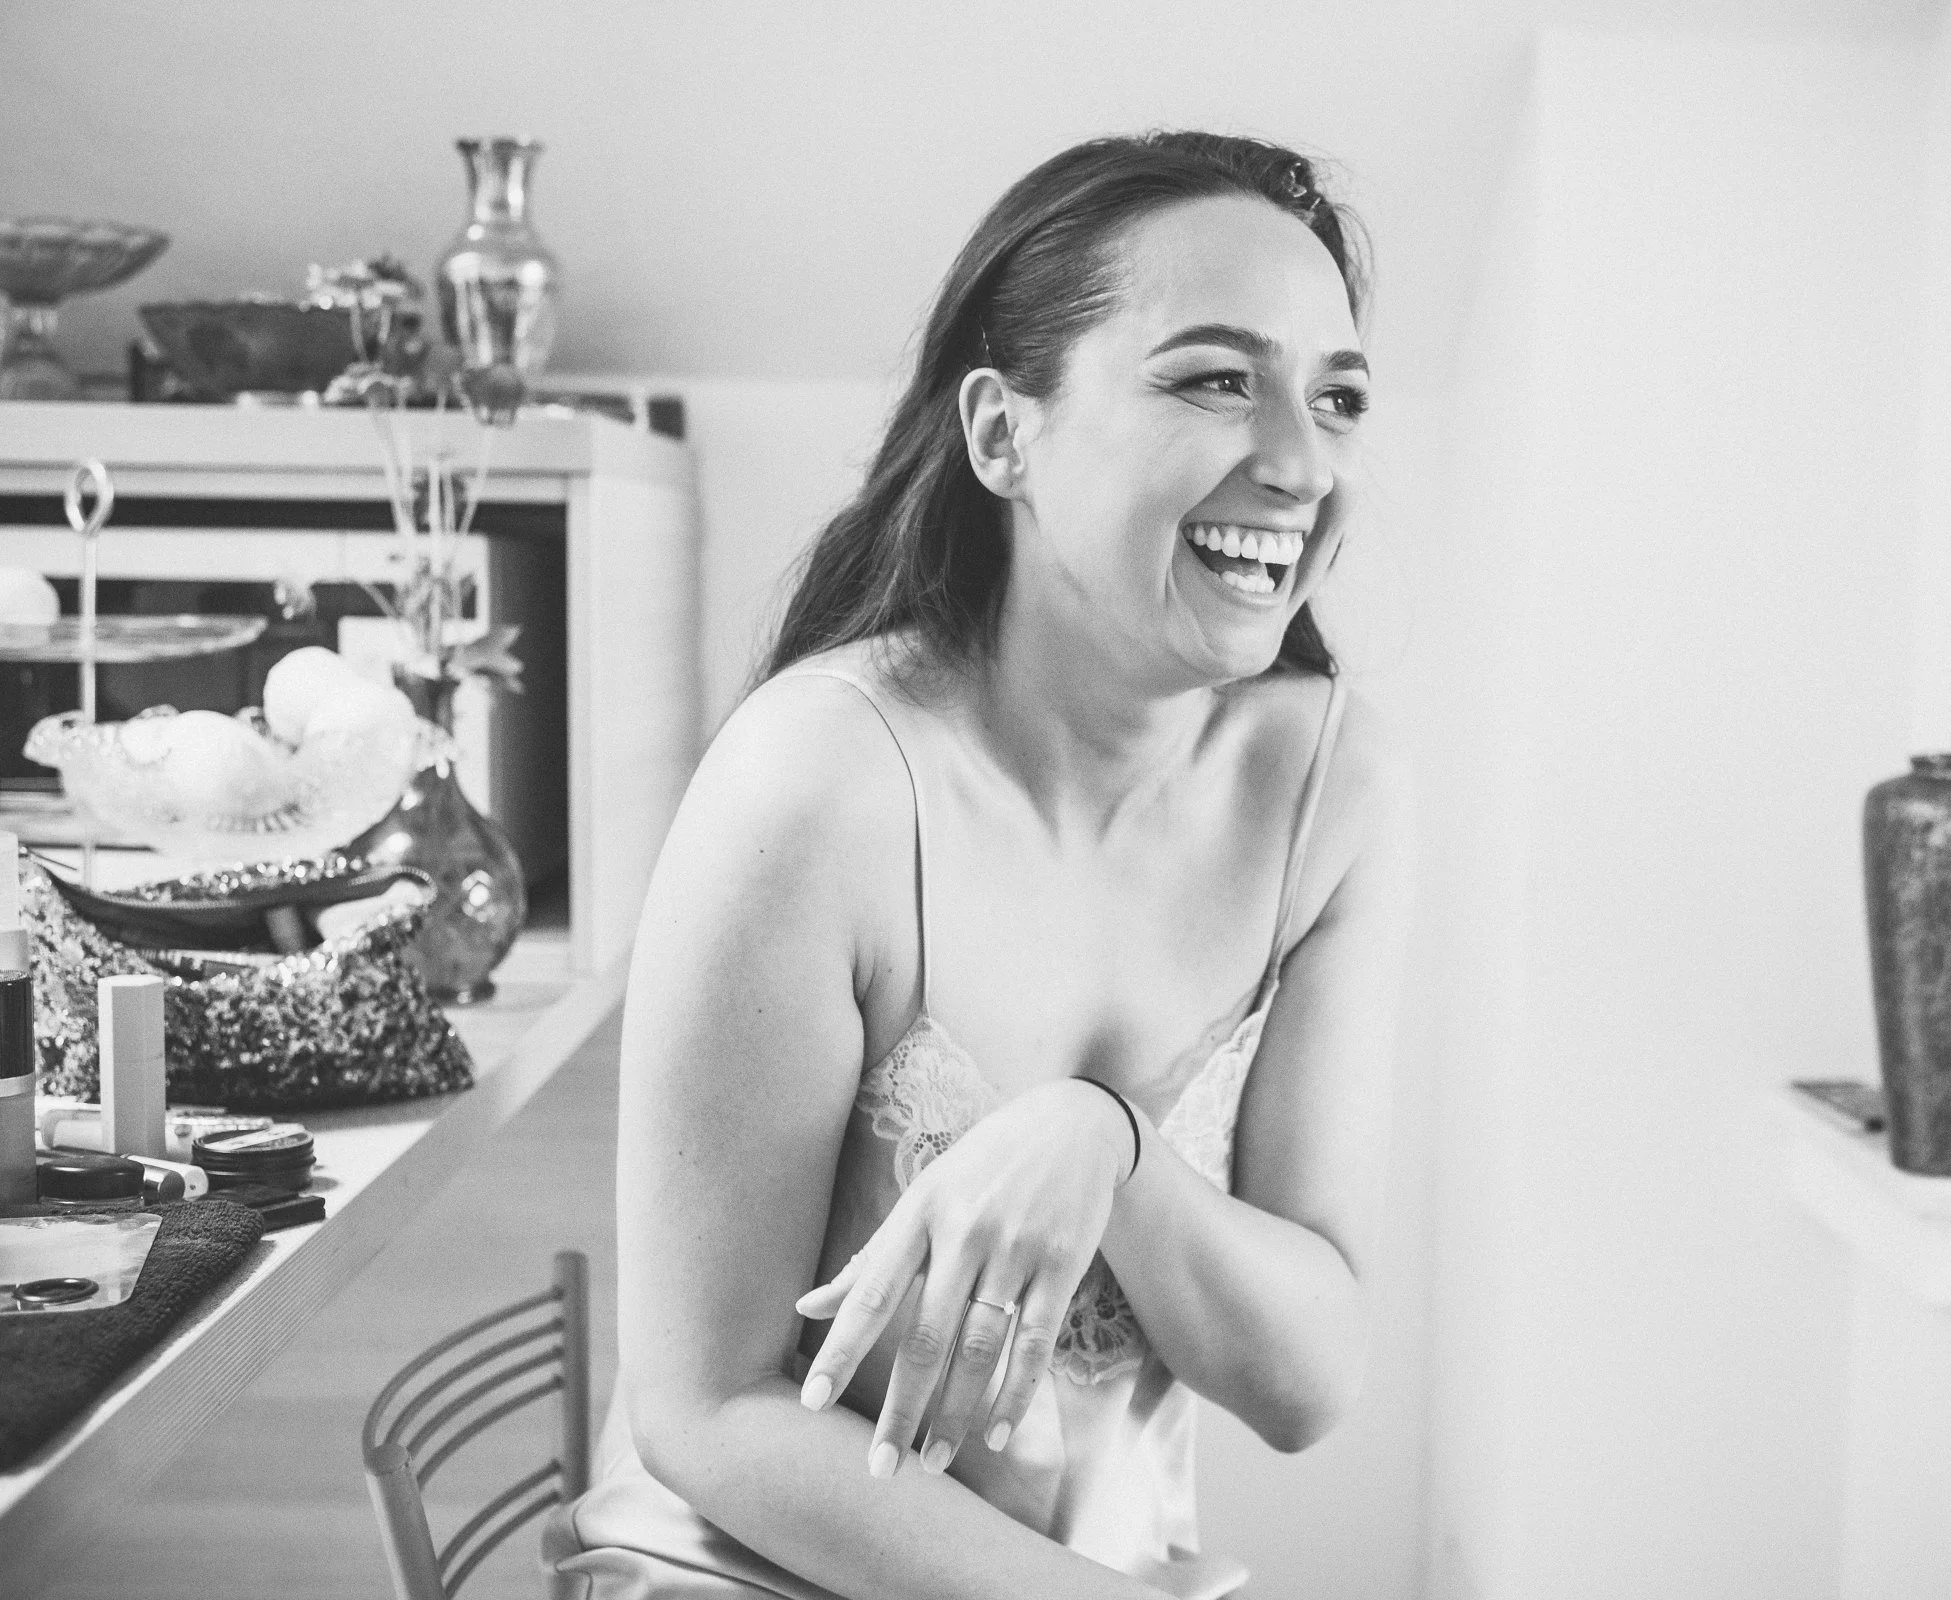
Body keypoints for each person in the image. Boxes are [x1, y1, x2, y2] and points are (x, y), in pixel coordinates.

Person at [545, 130, 1414, 1600]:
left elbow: (1307, 1382)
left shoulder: (1332, 788)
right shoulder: (815, 780)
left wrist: (1109, 1148)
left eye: (1337, 398)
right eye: (1217, 379)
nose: (1298, 462)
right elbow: (706, 1413)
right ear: (1003, 435)